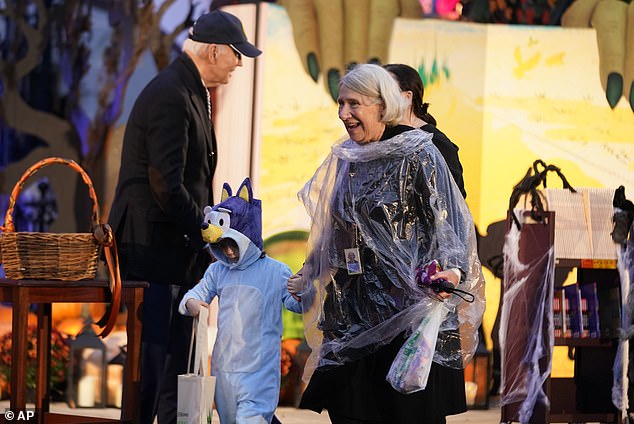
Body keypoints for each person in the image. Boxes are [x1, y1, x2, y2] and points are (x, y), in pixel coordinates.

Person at [287, 63, 485, 424]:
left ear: (383, 104)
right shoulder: (348, 156)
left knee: (405, 410)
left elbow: (449, 222)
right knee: (350, 408)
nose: (344, 114)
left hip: (406, 311)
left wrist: (452, 271)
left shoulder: (418, 153)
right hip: (352, 309)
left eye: (354, 104)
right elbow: (336, 224)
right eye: (341, 104)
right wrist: (312, 268)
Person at [107, 9, 261, 424]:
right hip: (153, 253)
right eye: (236, 54)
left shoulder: (188, 90)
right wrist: (205, 233)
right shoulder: (172, 94)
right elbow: (165, 184)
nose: (239, 64)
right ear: (213, 50)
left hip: (172, 253)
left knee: (175, 364)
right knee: (153, 365)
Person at [178, 178, 302, 423]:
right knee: (232, 419)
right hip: (224, 370)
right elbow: (194, 295)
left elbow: (295, 304)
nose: (228, 252)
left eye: (232, 243)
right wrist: (192, 304)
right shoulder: (218, 272)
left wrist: (302, 291)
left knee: (252, 417)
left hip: (260, 371)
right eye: (221, 245)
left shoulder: (275, 271)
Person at [383, 63, 466, 199]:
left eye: (385, 91)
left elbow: (452, 200)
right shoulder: (381, 138)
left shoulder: (435, 142)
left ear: (407, 97)